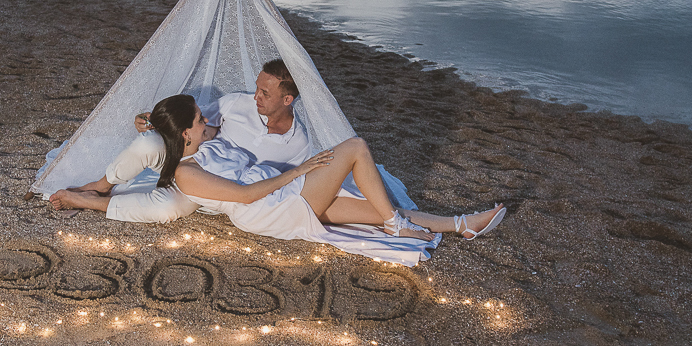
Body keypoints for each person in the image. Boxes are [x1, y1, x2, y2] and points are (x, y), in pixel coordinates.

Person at [150, 94, 506, 244]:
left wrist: (150, 122)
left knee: (383, 209)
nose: (206, 119)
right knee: (355, 148)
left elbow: (193, 122)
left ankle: (463, 224)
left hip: (280, 193)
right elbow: (244, 195)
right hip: (267, 208)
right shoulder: (186, 172)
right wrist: (300, 169)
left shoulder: (204, 143)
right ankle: (397, 228)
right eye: (199, 119)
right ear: (185, 134)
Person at [49, 59, 309, 222]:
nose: (255, 97)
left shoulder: (298, 143)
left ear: (287, 100)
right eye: (256, 89)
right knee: (148, 143)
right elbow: (191, 122)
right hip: (188, 153)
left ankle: (90, 202)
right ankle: (102, 184)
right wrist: (151, 122)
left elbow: (283, 183)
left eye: (264, 93)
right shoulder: (236, 104)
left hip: (211, 186)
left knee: (167, 210)